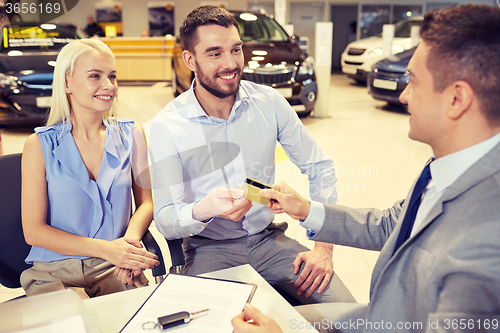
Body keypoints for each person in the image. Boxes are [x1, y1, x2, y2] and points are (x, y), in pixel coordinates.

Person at [232, 4, 500, 332]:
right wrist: (306, 209)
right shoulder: (447, 167)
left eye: (413, 82)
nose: (403, 95)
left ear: (457, 99)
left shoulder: (484, 244)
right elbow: (390, 225)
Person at [149, 5, 354, 305]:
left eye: (236, 50)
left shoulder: (269, 102)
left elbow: (320, 167)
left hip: (268, 240)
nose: (231, 63)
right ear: (190, 60)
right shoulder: (168, 126)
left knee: (348, 314)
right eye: (215, 53)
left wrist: (323, 247)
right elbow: (166, 218)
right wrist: (204, 209)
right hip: (208, 249)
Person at [20, 39, 159, 299]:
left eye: (112, 76)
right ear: (66, 83)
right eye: (95, 76)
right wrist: (108, 249)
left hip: (115, 268)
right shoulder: (38, 145)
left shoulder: (133, 135)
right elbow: (34, 231)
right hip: (55, 272)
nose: (109, 85)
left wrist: (128, 246)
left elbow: (147, 204)